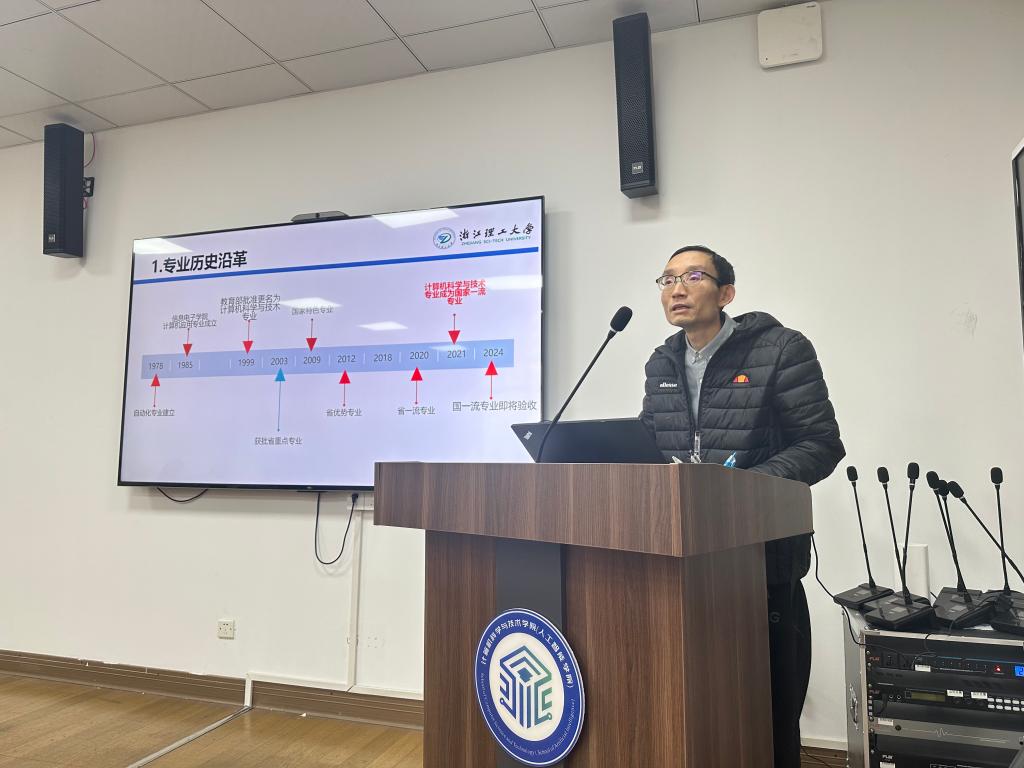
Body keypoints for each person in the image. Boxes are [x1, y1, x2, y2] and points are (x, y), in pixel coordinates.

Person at [639, 245, 845, 768]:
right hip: (680, 563)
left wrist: (741, 488)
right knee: (691, 711)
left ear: (726, 293)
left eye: (692, 276)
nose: (676, 289)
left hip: (761, 563)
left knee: (766, 716)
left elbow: (820, 444)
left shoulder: (780, 349)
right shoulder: (661, 361)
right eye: (667, 279)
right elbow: (649, 446)